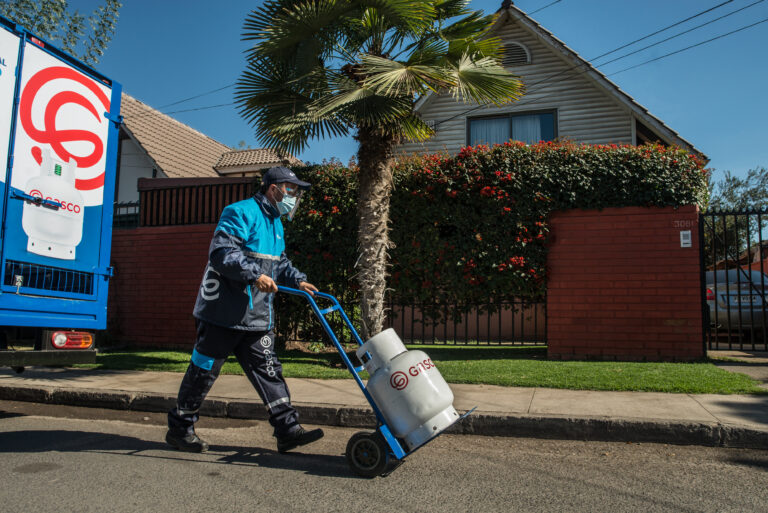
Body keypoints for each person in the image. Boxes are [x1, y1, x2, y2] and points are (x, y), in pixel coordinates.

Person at [166, 166, 323, 453]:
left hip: (257, 317)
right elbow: (223, 253)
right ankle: (180, 429)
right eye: (291, 189)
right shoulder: (240, 212)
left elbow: (280, 263)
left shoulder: (276, 224)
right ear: (273, 189)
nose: (295, 196)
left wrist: (298, 280)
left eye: (297, 192)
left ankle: (287, 430)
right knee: (203, 372)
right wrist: (254, 275)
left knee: (269, 370)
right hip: (222, 314)